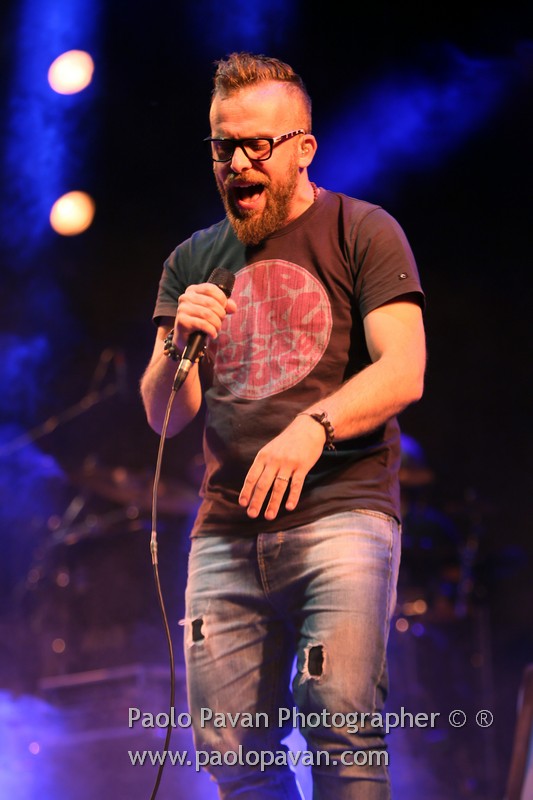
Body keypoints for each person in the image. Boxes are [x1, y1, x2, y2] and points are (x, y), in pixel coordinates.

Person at [140, 51, 426, 800]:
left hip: (341, 513)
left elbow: (404, 370)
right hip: (226, 533)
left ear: (303, 149)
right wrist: (176, 342)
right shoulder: (192, 259)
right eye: (222, 146)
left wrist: (313, 427)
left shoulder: (362, 230)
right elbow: (165, 414)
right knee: (235, 758)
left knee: (342, 731)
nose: (237, 163)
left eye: (256, 145)